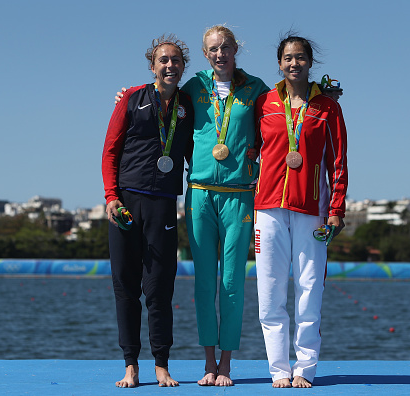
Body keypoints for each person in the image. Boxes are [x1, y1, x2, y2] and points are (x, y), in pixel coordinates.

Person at [253, 35, 348, 388]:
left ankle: (304, 367)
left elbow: (338, 162)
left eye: (301, 58)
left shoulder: (327, 108)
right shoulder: (263, 103)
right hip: (268, 208)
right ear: (279, 63)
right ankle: (279, 369)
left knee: (310, 289)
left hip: (312, 209)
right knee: (270, 291)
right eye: (288, 58)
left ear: (310, 62)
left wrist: (336, 209)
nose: (294, 63)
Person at [101, 34, 194, 388]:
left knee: (159, 287)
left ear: (184, 66)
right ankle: (130, 364)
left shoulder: (190, 104)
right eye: (163, 60)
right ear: (152, 66)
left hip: (164, 204)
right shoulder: (130, 98)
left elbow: (194, 152)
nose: (169, 65)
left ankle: (161, 363)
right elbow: (110, 151)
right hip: (125, 202)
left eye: (176, 60)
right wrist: (111, 197)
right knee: (125, 285)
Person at [180, 26, 269, 386]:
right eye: (214, 49)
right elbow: (162, 104)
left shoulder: (257, 89)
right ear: (205, 53)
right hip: (200, 192)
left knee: (232, 281)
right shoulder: (192, 87)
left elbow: (283, 114)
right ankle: (207, 362)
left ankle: (227, 363)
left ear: (236, 50)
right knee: (203, 282)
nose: (221, 54)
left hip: (239, 194)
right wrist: (128, 96)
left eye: (227, 48)